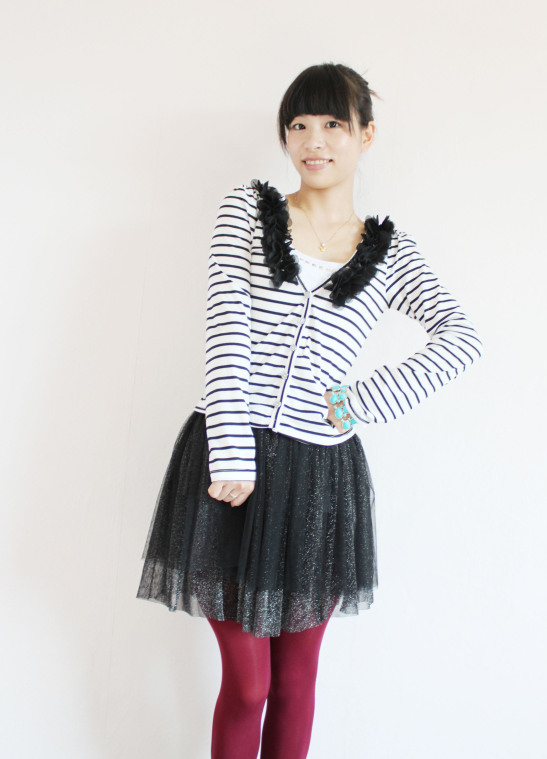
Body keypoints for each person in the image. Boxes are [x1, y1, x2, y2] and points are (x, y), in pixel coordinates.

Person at [137, 62, 482, 759]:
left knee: (297, 682)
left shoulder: (389, 253)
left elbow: (460, 336)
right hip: (228, 463)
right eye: (297, 125)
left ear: (366, 135)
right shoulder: (248, 211)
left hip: (319, 478)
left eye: (331, 124)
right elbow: (226, 329)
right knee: (249, 686)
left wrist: (361, 400)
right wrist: (232, 453)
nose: (312, 141)